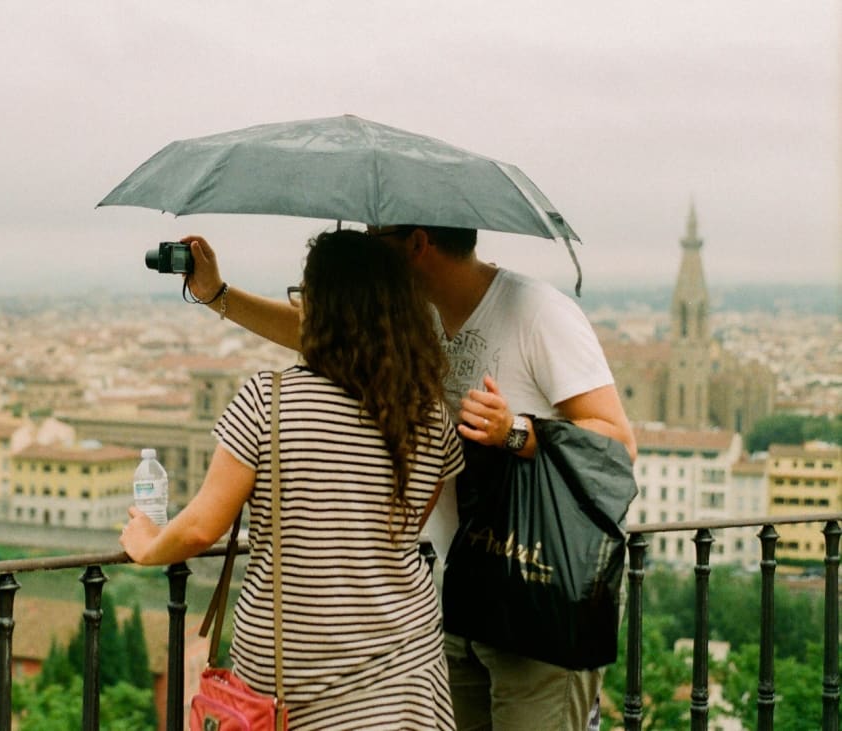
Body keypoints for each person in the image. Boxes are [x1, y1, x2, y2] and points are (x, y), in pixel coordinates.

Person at [177, 224, 637, 731]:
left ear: (416, 243)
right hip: (454, 596)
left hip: (537, 597)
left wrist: (515, 432)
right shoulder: (414, 318)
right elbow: (325, 329)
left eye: (378, 234)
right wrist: (216, 295)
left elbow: (617, 441)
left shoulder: (538, 313)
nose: (368, 240)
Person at [120, 229, 464, 730]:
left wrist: (148, 545)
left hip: (295, 692)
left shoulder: (270, 401)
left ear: (318, 309)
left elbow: (200, 528)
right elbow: (409, 526)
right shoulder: (430, 416)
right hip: (407, 675)